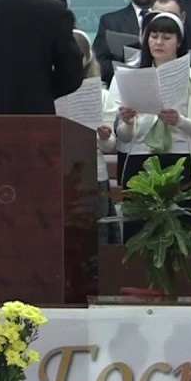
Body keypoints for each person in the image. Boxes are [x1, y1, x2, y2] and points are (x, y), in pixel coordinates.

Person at [111, 11, 191, 239]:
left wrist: (179, 121)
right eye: (153, 36)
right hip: (141, 160)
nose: (158, 42)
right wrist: (127, 121)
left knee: (181, 235)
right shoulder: (132, 75)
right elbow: (124, 137)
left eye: (167, 37)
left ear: (179, 42)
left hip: (181, 161)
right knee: (140, 235)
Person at [65, 30, 119, 244]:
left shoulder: (102, 96)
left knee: (96, 240)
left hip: (93, 176)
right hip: (56, 174)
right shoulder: (46, 93)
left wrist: (104, 136)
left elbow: (109, 145)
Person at [91, 0, 160, 87]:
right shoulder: (110, 22)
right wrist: (133, 74)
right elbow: (100, 62)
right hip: (124, 88)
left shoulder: (169, 18)